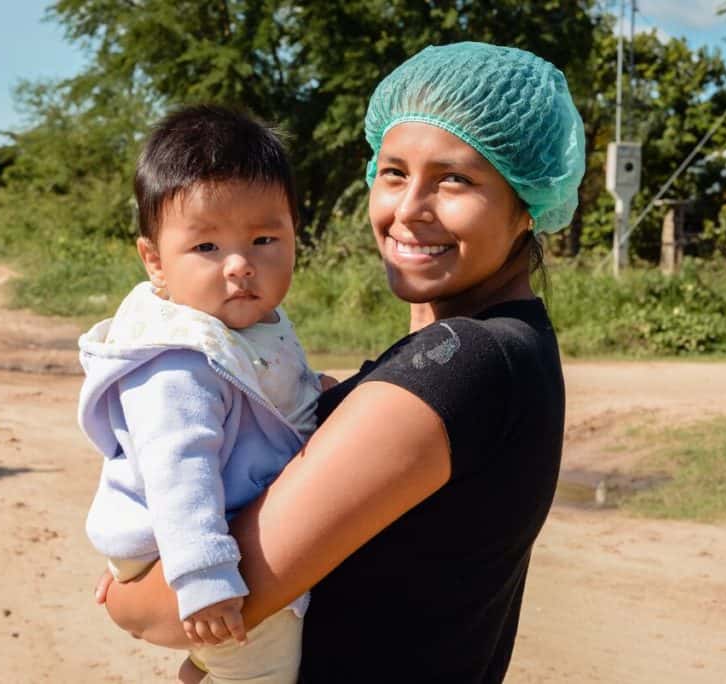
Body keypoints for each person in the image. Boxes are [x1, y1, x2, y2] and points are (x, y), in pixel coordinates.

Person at [97, 42, 586, 683]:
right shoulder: (509, 347)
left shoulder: (463, 364)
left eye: (455, 179)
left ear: (528, 201)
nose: (408, 209)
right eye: (394, 173)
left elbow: (175, 612)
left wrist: (123, 596)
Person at [78, 105, 324, 683]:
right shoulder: (180, 358)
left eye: (264, 239)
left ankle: (207, 666)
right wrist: (203, 579)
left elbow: (272, 396)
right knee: (268, 664)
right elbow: (179, 467)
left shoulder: (254, 324)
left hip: (213, 529)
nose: (240, 265)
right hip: (188, 545)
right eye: (207, 247)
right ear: (155, 262)